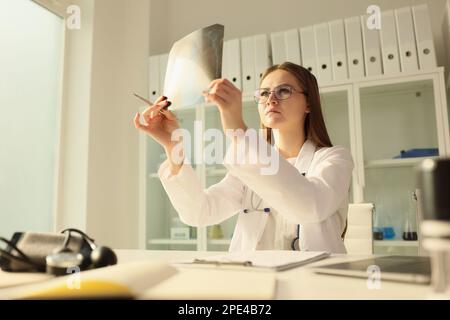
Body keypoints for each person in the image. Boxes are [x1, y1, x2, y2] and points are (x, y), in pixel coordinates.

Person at [134, 62, 354, 253]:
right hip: (255, 283)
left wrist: (238, 128)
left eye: (284, 91)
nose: (271, 100)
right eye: (264, 93)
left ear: (308, 103)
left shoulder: (335, 159)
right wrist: (173, 145)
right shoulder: (251, 164)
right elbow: (199, 213)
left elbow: (310, 206)